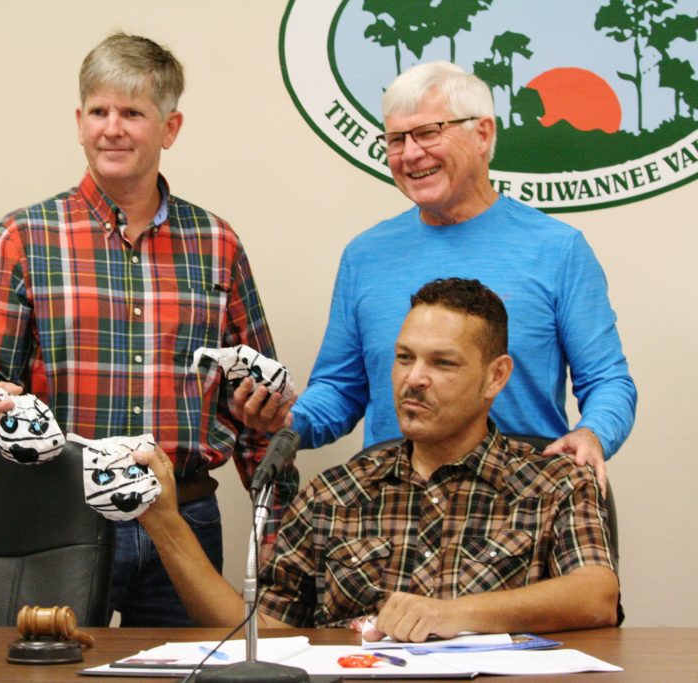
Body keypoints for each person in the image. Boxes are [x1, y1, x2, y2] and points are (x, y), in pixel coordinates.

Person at [0, 33, 286, 627]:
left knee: (191, 672)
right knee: (45, 672)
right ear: (79, 122)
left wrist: (273, 525)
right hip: (58, 514)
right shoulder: (24, 236)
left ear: (169, 127)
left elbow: (257, 400)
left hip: (184, 514)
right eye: (99, 112)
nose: (113, 129)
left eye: (133, 113)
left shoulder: (216, 244)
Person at [137, 277, 620, 638]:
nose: (414, 379)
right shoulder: (334, 494)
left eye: (442, 362)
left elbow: (596, 595)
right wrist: (165, 523)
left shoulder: (554, 483)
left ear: (496, 377)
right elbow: (260, 631)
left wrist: (451, 614)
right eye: (405, 358)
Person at [236, 61, 635, 494]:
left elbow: (609, 380)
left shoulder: (557, 249)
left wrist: (593, 432)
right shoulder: (365, 255)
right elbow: (339, 388)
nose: (409, 154)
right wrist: (290, 420)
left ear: (482, 134)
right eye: (395, 139)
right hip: (395, 510)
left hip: (520, 506)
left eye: (428, 133)